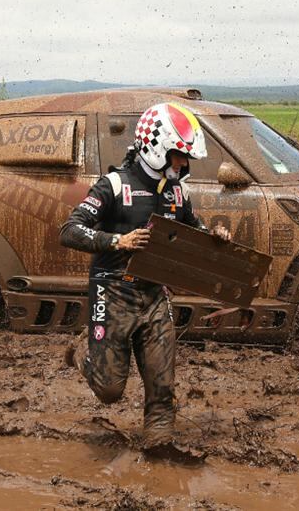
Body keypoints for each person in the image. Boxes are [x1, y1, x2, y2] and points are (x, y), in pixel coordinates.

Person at [59, 102, 230, 457]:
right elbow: (70, 231)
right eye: (178, 156)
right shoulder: (113, 185)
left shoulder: (176, 192)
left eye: (186, 158)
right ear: (156, 147)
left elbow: (192, 229)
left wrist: (215, 234)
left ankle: (159, 447)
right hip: (113, 290)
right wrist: (116, 241)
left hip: (154, 294)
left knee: (161, 384)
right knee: (109, 390)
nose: (184, 164)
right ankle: (80, 352)